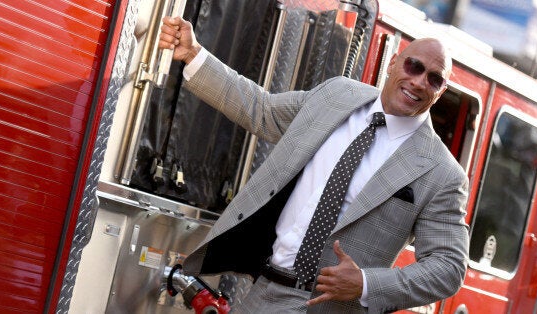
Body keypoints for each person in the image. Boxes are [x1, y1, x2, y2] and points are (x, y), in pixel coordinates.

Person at [158, 16, 469, 313]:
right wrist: (194, 55)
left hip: (330, 307)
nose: (418, 82)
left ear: (439, 92)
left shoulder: (441, 173)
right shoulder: (338, 95)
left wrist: (366, 284)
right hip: (263, 291)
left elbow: (449, 268)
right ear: (393, 63)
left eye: (433, 78)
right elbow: (262, 110)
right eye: (414, 66)